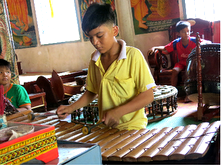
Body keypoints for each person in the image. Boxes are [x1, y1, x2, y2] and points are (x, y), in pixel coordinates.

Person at [57, 3, 156, 130]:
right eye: (90, 37)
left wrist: (118, 112)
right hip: (106, 127)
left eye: (99, 36)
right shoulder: (95, 60)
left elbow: (148, 95)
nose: (95, 42)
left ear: (114, 31)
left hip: (133, 128)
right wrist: (71, 108)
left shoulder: (133, 56)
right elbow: (92, 91)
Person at [147, 21, 211, 101]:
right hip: (181, 62)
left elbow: (208, 42)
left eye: (188, 31)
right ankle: (173, 92)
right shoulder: (176, 42)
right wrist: (154, 47)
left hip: (192, 62)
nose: (186, 33)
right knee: (174, 71)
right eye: (183, 32)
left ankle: (188, 94)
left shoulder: (195, 40)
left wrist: (203, 43)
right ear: (178, 33)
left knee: (188, 72)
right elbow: (165, 49)